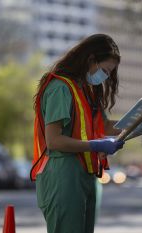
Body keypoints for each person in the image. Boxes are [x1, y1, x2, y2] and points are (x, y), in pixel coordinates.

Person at [31, 34, 125, 233]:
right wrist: (96, 145)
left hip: (86, 175)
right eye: (105, 71)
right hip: (63, 175)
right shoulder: (60, 88)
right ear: (90, 60)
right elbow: (54, 141)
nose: (106, 77)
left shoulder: (86, 90)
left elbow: (105, 126)